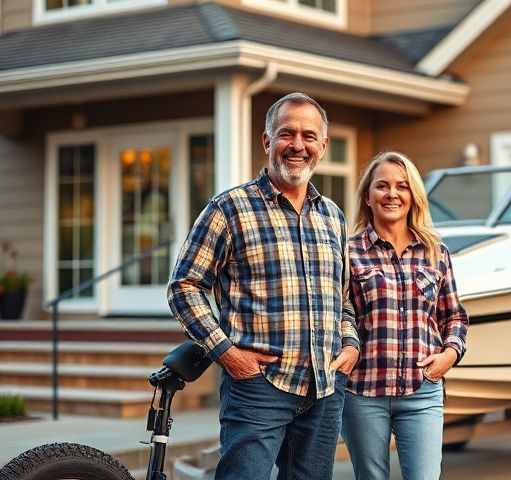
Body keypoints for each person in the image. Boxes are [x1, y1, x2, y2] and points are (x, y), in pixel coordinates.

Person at [167, 92, 360, 480]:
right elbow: (184, 286)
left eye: (309, 136)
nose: (298, 145)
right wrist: (228, 354)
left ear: (323, 146)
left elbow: (343, 296)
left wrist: (351, 343)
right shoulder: (229, 208)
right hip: (257, 389)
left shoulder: (333, 216)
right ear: (267, 141)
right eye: (287, 133)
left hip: (324, 388)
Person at [342, 151, 469, 480]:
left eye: (402, 186)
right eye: (382, 186)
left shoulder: (435, 252)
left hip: (422, 389)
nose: (392, 194)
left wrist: (449, 355)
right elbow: (341, 316)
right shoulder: (348, 252)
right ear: (367, 196)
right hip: (363, 391)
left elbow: (454, 316)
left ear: (413, 195)